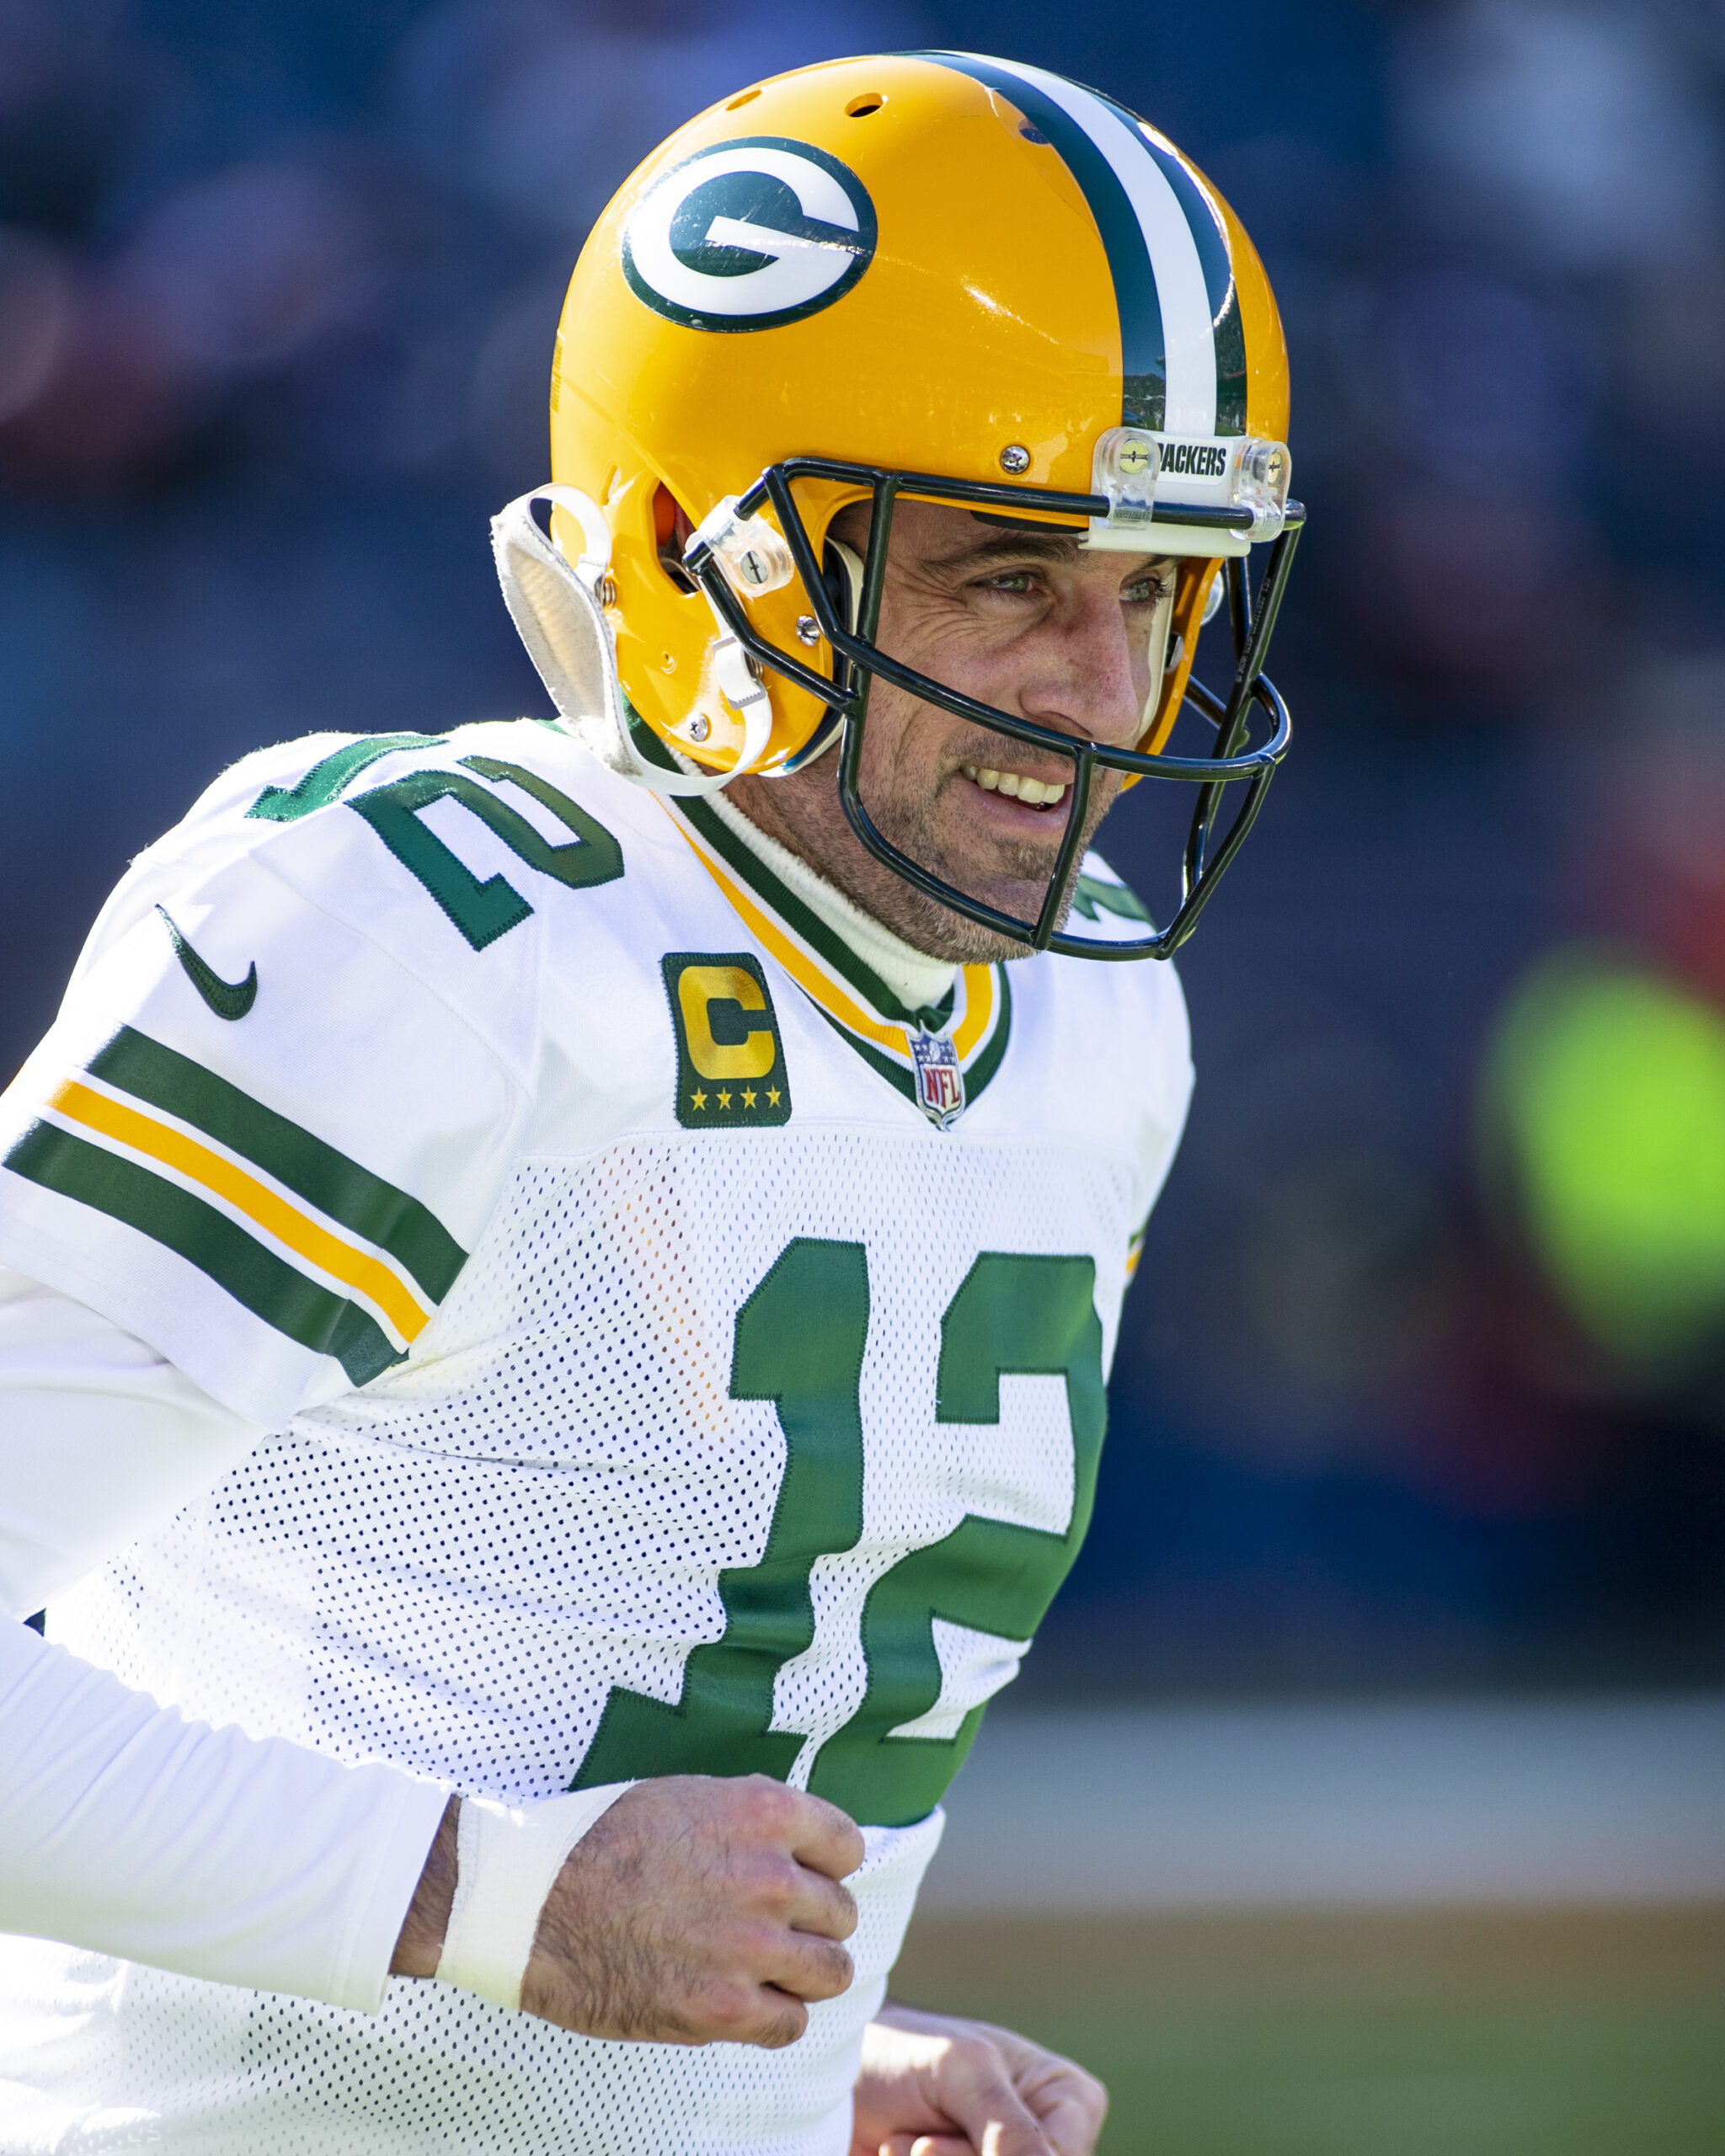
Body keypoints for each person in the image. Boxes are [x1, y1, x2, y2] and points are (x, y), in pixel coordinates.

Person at [0, 51, 1300, 2156]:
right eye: (1008, 577)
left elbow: (595, 1709)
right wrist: (491, 1909)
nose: (1099, 690)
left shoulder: (1086, 1016)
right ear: (716, 560)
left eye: (1155, 588)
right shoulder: (432, 924)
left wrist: (769, 2073)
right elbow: (511, 1892)